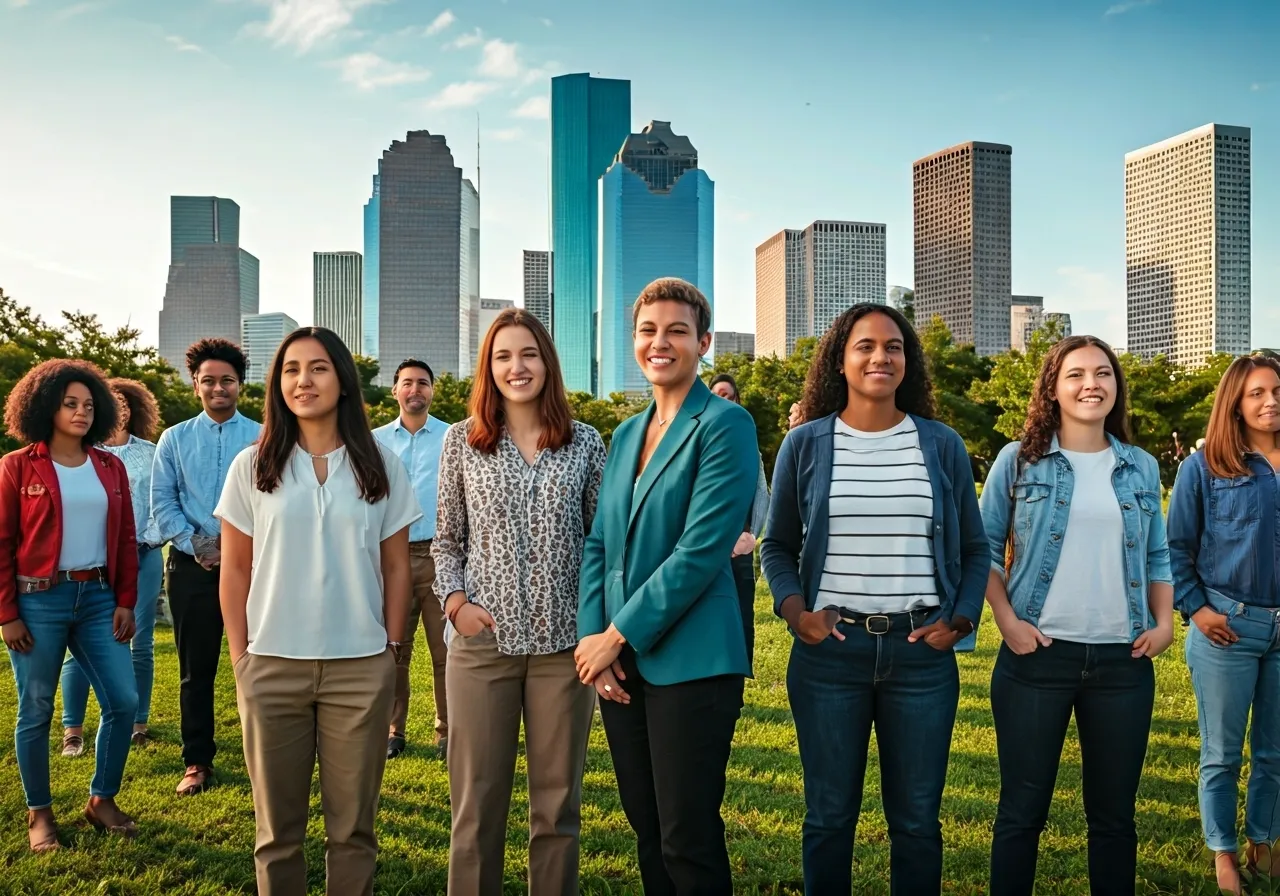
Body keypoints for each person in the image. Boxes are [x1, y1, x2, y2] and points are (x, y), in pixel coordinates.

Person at [760, 303, 986, 894]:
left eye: (893, 347)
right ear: (841, 358)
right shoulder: (805, 444)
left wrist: (959, 622)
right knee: (829, 819)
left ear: (907, 362)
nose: (879, 357)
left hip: (921, 658)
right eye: (864, 345)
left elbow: (976, 548)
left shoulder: (941, 445)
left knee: (916, 823)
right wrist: (796, 614)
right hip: (830, 656)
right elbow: (777, 545)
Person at [215, 327, 419, 896]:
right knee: (277, 831)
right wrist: (241, 657)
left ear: (343, 381)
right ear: (278, 385)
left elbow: (398, 567)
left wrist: (393, 652)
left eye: (319, 368)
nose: (303, 380)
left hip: (360, 667)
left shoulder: (380, 465)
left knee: (353, 829)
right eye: (290, 370)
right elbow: (235, 569)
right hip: (271, 665)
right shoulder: (252, 466)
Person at [577, 278, 757, 895]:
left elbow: (701, 551)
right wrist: (595, 645)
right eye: (649, 331)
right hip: (620, 663)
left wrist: (616, 634)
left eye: (677, 331)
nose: (661, 342)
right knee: (647, 832)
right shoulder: (625, 434)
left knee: (688, 836)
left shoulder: (725, 424)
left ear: (703, 342)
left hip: (696, 661)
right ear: (634, 342)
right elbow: (599, 544)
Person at [980, 335, 1174, 896]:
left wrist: (1163, 626)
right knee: (1022, 811)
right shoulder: (1018, 460)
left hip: (1123, 664)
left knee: (1114, 818)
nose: (1092, 384)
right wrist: (1007, 622)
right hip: (1037, 658)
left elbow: (1157, 554)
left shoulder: (1138, 466)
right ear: (1054, 388)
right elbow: (985, 550)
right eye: (1076, 374)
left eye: (1104, 373)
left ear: (1117, 387)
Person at [434, 308, 605, 895]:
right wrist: (456, 604)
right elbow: (447, 539)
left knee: (557, 808)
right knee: (476, 806)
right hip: (484, 646)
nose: (517, 367)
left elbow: (600, 544)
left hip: (565, 650)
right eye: (503, 356)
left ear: (547, 363)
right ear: (488, 367)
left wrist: (595, 628)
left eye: (528, 354)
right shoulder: (462, 441)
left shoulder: (585, 441)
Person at [0, 359, 140, 851]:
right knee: (36, 709)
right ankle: (39, 813)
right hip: (38, 601)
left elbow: (125, 536)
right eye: (69, 404)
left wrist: (126, 599)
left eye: (87, 404)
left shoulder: (110, 465)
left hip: (100, 598)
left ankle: (102, 800)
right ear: (45, 407)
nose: (81, 413)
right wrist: (7, 613)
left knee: (123, 702)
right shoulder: (18, 466)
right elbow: (1, 542)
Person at [1167, 354, 1280, 895]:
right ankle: (1225, 855)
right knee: (1221, 753)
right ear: (1235, 402)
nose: (1271, 401)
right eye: (1257, 393)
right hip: (1227, 630)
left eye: (1277, 390)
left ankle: (1264, 841)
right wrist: (1197, 608)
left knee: (1275, 752)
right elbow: (1175, 547)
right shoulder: (1206, 467)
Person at [151, 338, 261, 796]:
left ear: (241, 384)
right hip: (192, 566)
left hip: (254, 564)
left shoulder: (264, 434)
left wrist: (236, 546)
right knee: (196, 669)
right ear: (195, 384)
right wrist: (198, 544)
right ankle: (197, 761)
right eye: (209, 381)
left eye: (228, 381)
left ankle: (265, 757)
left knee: (258, 662)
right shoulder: (174, 438)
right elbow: (162, 501)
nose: (219, 388)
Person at [61, 378, 164, 754]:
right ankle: (73, 728)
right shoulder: (84, 454)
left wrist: (148, 538)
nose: (118, 408)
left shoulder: (152, 452)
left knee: (143, 641)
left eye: (124, 402)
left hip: (144, 555)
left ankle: (139, 721)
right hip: (99, 560)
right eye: (110, 401)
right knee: (81, 644)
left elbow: (161, 501)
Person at [373, 359, 450, 760]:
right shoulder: (374, 441)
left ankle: (447, 732)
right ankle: (393, 730)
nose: (415, 389)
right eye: (407, 383)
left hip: (440, 555)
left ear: (432, 390)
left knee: (445, 651)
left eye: (423, 382)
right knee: (394, 649)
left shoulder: (454, 438)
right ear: (395, 391)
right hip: (393, 557)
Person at [708, 373, 769, 660]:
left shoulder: (747, 442)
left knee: (742, 615)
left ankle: (737, 685)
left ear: (737, 401)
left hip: (739, 546)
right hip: (705, 546)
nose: (723, 400)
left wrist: (751, 536)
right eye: (717, 395)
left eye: (728, 396)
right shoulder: (697, 439)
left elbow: (761, 492)